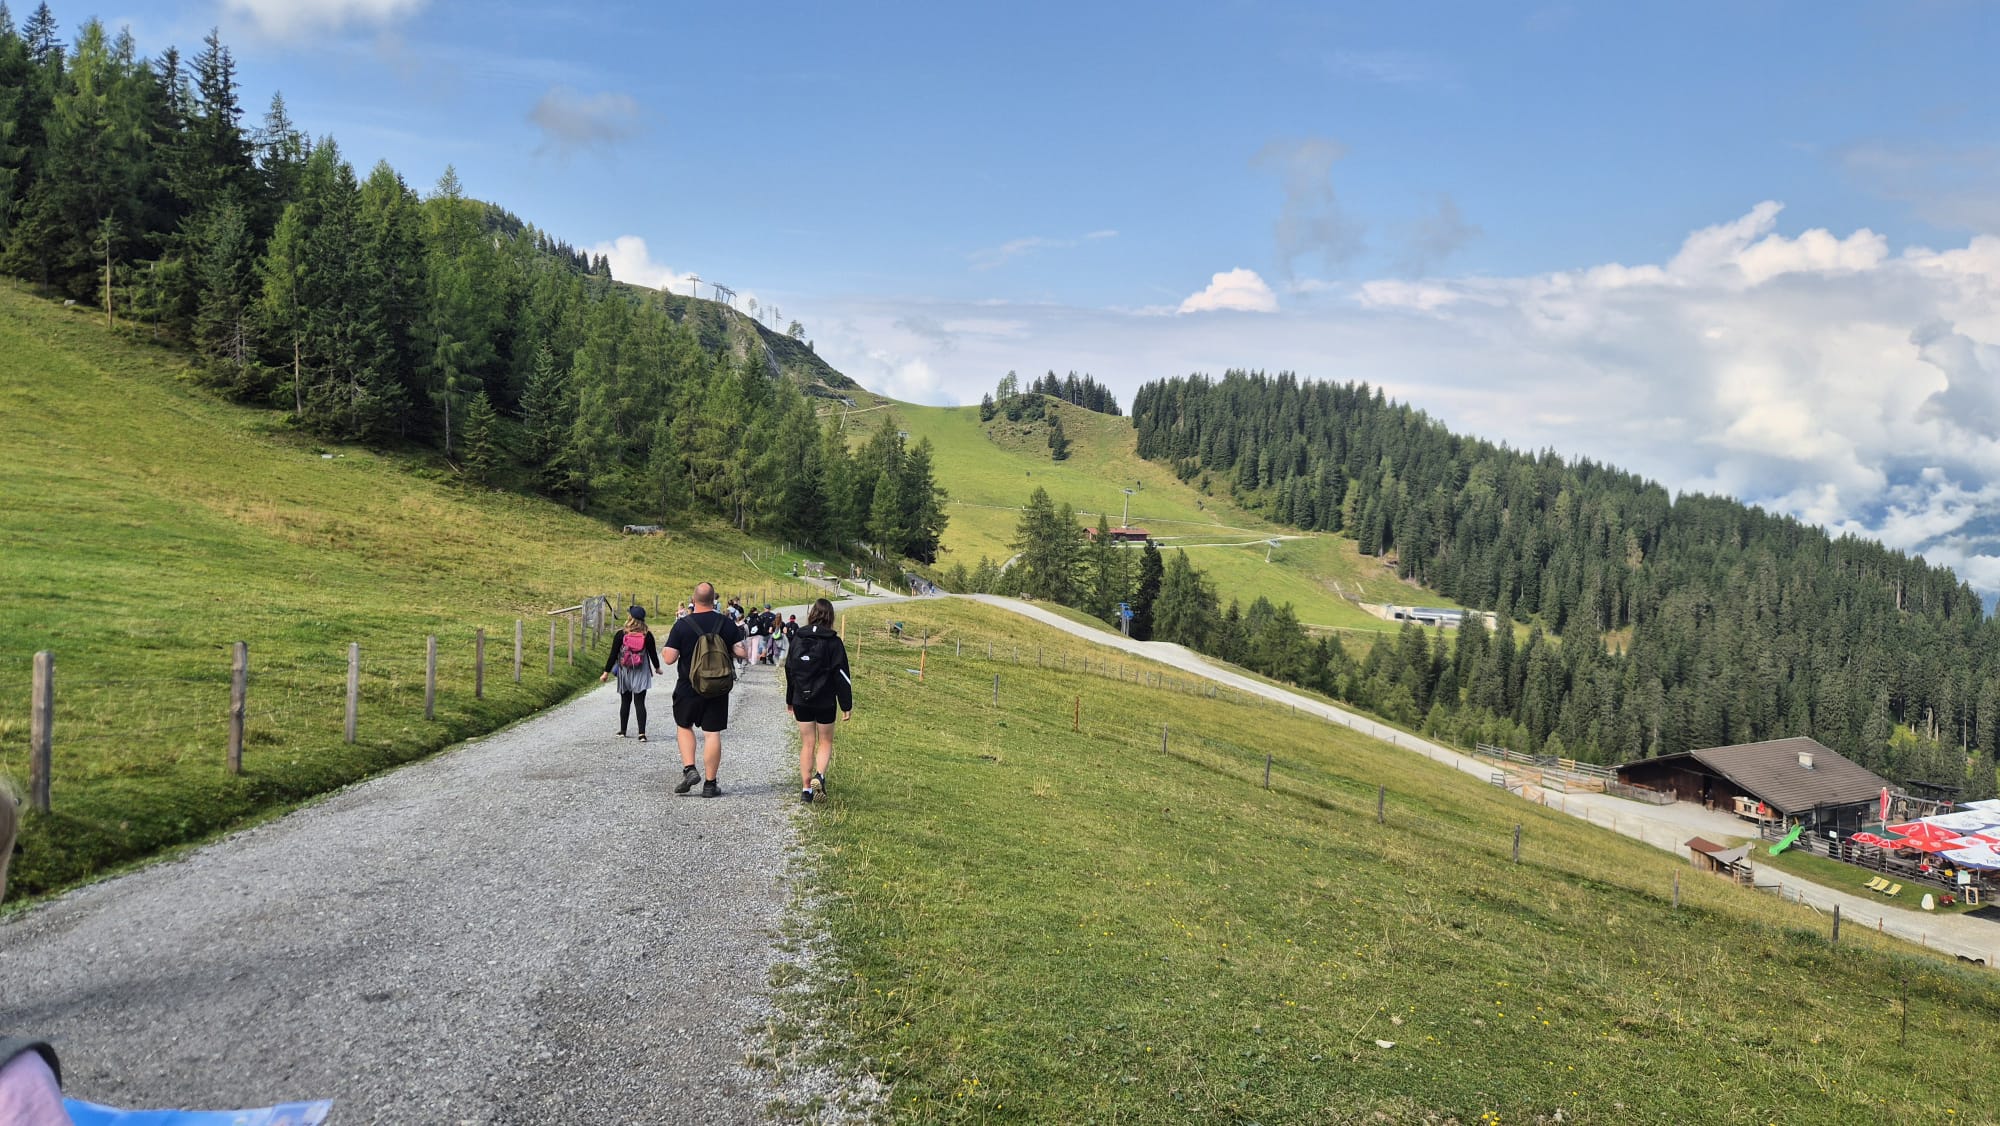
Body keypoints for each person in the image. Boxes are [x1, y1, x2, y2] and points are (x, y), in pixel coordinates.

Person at [662, 583, 748, 797]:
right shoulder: (726, 623)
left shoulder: (682, 625)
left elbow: (669, 658)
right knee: (712, 734)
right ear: (714, 600)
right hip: (717, 687)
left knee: (684, 726)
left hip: (688, 687)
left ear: (694, 599)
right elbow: (741, 652)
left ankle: (690, 768)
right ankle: (710, 784)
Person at [785, 598, 852, 804]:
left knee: (807, 743)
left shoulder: (798, 637)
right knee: (825, 741)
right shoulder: (833, 642)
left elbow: (789, 669)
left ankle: (806, 789)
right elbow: (842, 675)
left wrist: (790, 699)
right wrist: (846, 704)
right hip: (825, 700)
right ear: (831, 617)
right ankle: (819, 776)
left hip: (800, 699)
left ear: (812, 614)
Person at [599, 605, 662, 741]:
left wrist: (606, 672)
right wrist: (657, 668)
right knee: (640, 702)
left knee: (625, 701)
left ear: (631, 618)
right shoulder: (647, 635)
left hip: (625, 671)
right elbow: (652, 654)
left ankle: (623, 730)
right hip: (641, 672)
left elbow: (613, 655)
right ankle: (642, 734)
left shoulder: (621, 634)